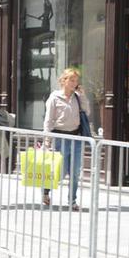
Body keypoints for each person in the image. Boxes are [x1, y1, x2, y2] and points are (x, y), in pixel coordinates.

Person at [43, 67, 91, 211]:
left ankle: (72, 200)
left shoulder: (77, 96)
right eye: (71, 80)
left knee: (75, 172)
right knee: (60, 171)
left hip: (76, 138)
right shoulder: (54, 97)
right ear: (63, 81)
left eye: (76, 81)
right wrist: (47, 139)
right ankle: (46, 191)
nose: (74, 83)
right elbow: (48, 120)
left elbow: (87, 111)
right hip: (60, 138)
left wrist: (83, 96)